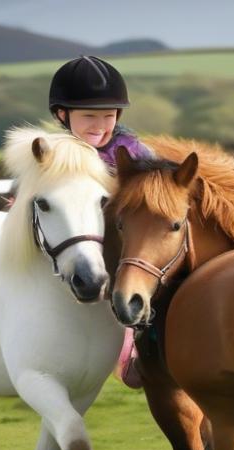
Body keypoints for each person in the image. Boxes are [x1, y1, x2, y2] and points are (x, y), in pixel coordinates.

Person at [49, 55, 151, 389]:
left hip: (127, 248)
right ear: (62, 115)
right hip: (74, 251)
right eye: (88, 115)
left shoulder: (133, 151)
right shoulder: (52, 153)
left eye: (108, 115)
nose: (99, 124)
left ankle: (142, 346)